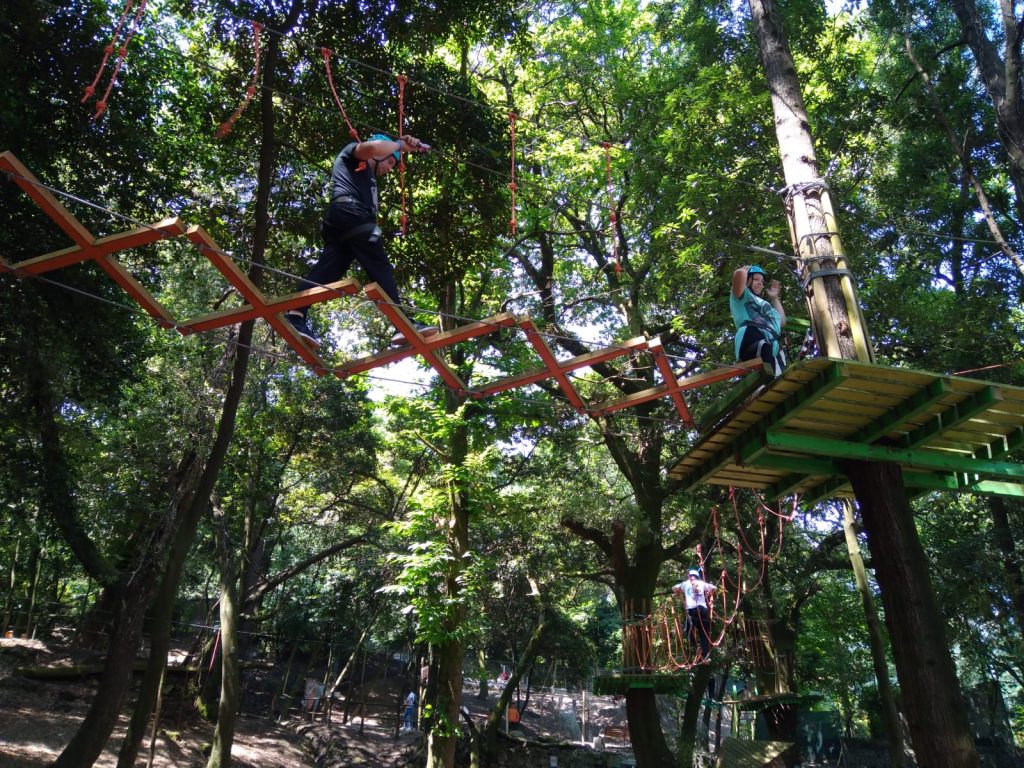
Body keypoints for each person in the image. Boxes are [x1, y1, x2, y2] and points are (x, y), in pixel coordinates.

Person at [285, 133, 437, 347]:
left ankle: (295, 314)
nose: (390, 169)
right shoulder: (353, 154)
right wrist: (399, 145)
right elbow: (373, 148)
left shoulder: (368, 179)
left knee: (329, 270)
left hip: (345, 223)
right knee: (379, 263)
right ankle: (402, 323)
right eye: (390, 162)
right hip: (350, 212)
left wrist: (404, 145)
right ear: (381, 155)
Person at [730, 264, 787, 377]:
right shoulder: (742, 295)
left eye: (762, 281)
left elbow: (781, 322)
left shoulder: (766, 306)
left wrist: (775, 298)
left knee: (778, 376)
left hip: (772, 342)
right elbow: (738, 276)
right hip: (752, 334)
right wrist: (743, 272)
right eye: (756, 279)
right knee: (764, 349)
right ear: (747, 280)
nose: (760, 283)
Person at [673, 568, 717, 661]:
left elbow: (673, 588)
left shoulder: (685, 584)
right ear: (697, 576)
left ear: (689, 576)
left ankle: (696, 647)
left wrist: (678, 591)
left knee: (689, 631)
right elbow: (714, 588)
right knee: (704, 633)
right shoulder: (702, 583)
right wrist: (710, 592)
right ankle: (705, 655)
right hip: (703, 610)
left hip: (692, 610)